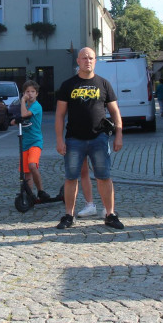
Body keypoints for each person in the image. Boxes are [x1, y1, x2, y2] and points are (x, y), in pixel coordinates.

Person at [54, 47, 124, 230]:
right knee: (71, 177)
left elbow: (115, 111)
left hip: (99, 138)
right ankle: (69, 215)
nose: (88, 61)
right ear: (78, 61)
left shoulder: (104, 84)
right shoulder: (68, 85)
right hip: (74, 139)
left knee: (104, 176)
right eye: (84, 58)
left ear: (95, 61)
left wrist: (119, 134)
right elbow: (60, 115)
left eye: (91, 58)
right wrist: (59, 140)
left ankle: (110, 214)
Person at [15, 80, 52, 202]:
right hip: (25, 143)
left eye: (32, 92)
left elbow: (24, 115)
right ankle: (29, 195)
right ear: (24, 92)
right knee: (26, 172)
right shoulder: (25, 106)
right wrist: (15, 121)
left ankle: (41, 190)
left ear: (36, 93)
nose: (30, 94)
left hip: (35, 141)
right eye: (27, 92)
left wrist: (22, 101)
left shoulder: (36, 106)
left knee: (32, 165)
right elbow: (21, 117)